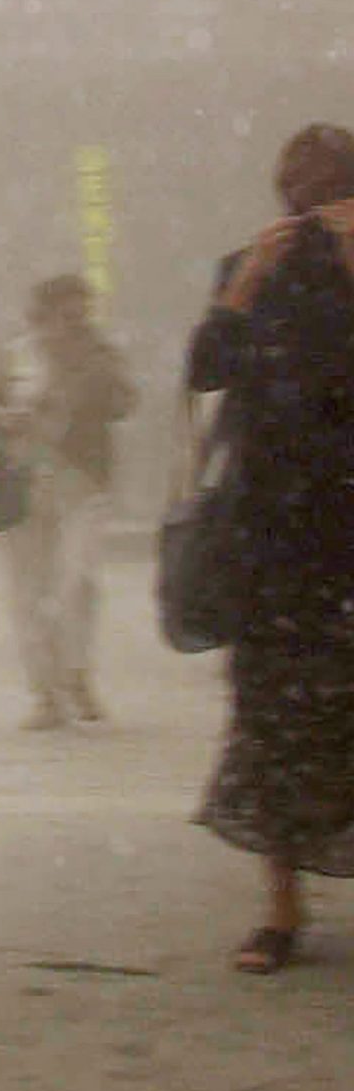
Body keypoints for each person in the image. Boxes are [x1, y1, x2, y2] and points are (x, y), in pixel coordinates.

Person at [186, 121, 354, 976]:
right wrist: (245, 284)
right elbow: (204, 370)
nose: (312, 201)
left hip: (347, 532)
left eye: (328, 184)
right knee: (271, 721)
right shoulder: (250, 268)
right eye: (300, 183)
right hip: (272, 539)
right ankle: (281, 907)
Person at [0, 274, 136, 729]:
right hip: (24, 483)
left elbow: (124, 401)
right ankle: (46, 693)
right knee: (29, 592)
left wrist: (83, 372)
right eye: (65, 314)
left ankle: (76, 674)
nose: (73, 323)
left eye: (80, 314)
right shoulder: (18, 355)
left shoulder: (99, 354)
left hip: (81, 485)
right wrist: (5, 416)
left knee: (77, 582)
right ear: (45, 314)